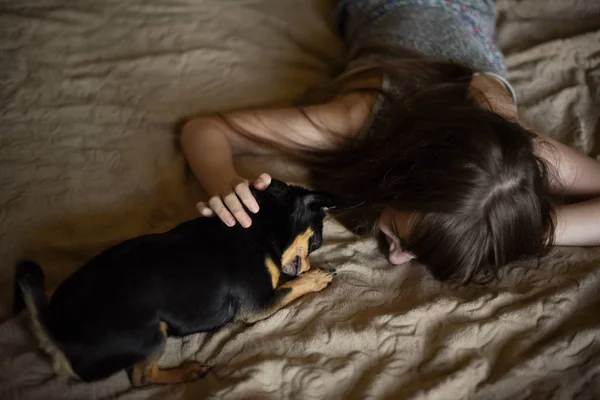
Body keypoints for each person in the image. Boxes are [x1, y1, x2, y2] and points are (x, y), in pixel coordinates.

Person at [179, 0, 600, 283]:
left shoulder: (510, 156)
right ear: (403, 174)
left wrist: (528, 229)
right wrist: (223, 183)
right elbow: (205, 129)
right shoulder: (355, 118)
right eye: (400, 236)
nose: (396, 258)